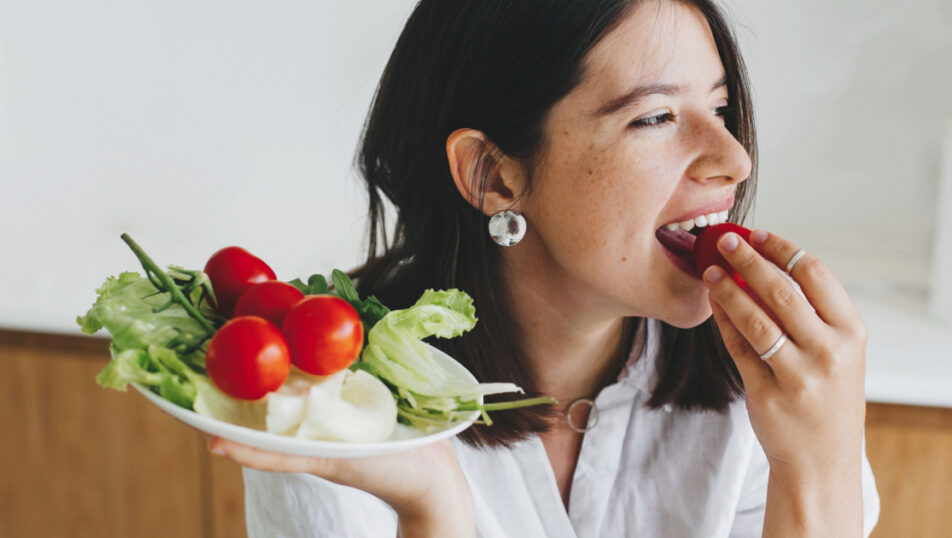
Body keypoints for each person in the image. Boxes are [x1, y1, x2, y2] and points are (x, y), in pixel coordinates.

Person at [208, 1, 881, 536]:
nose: (734, 159)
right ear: (494, 174)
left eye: (721, 108)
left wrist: (817, 469)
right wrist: (433, 513)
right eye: (655, 117)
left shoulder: (768, 398)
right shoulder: (335, 402)